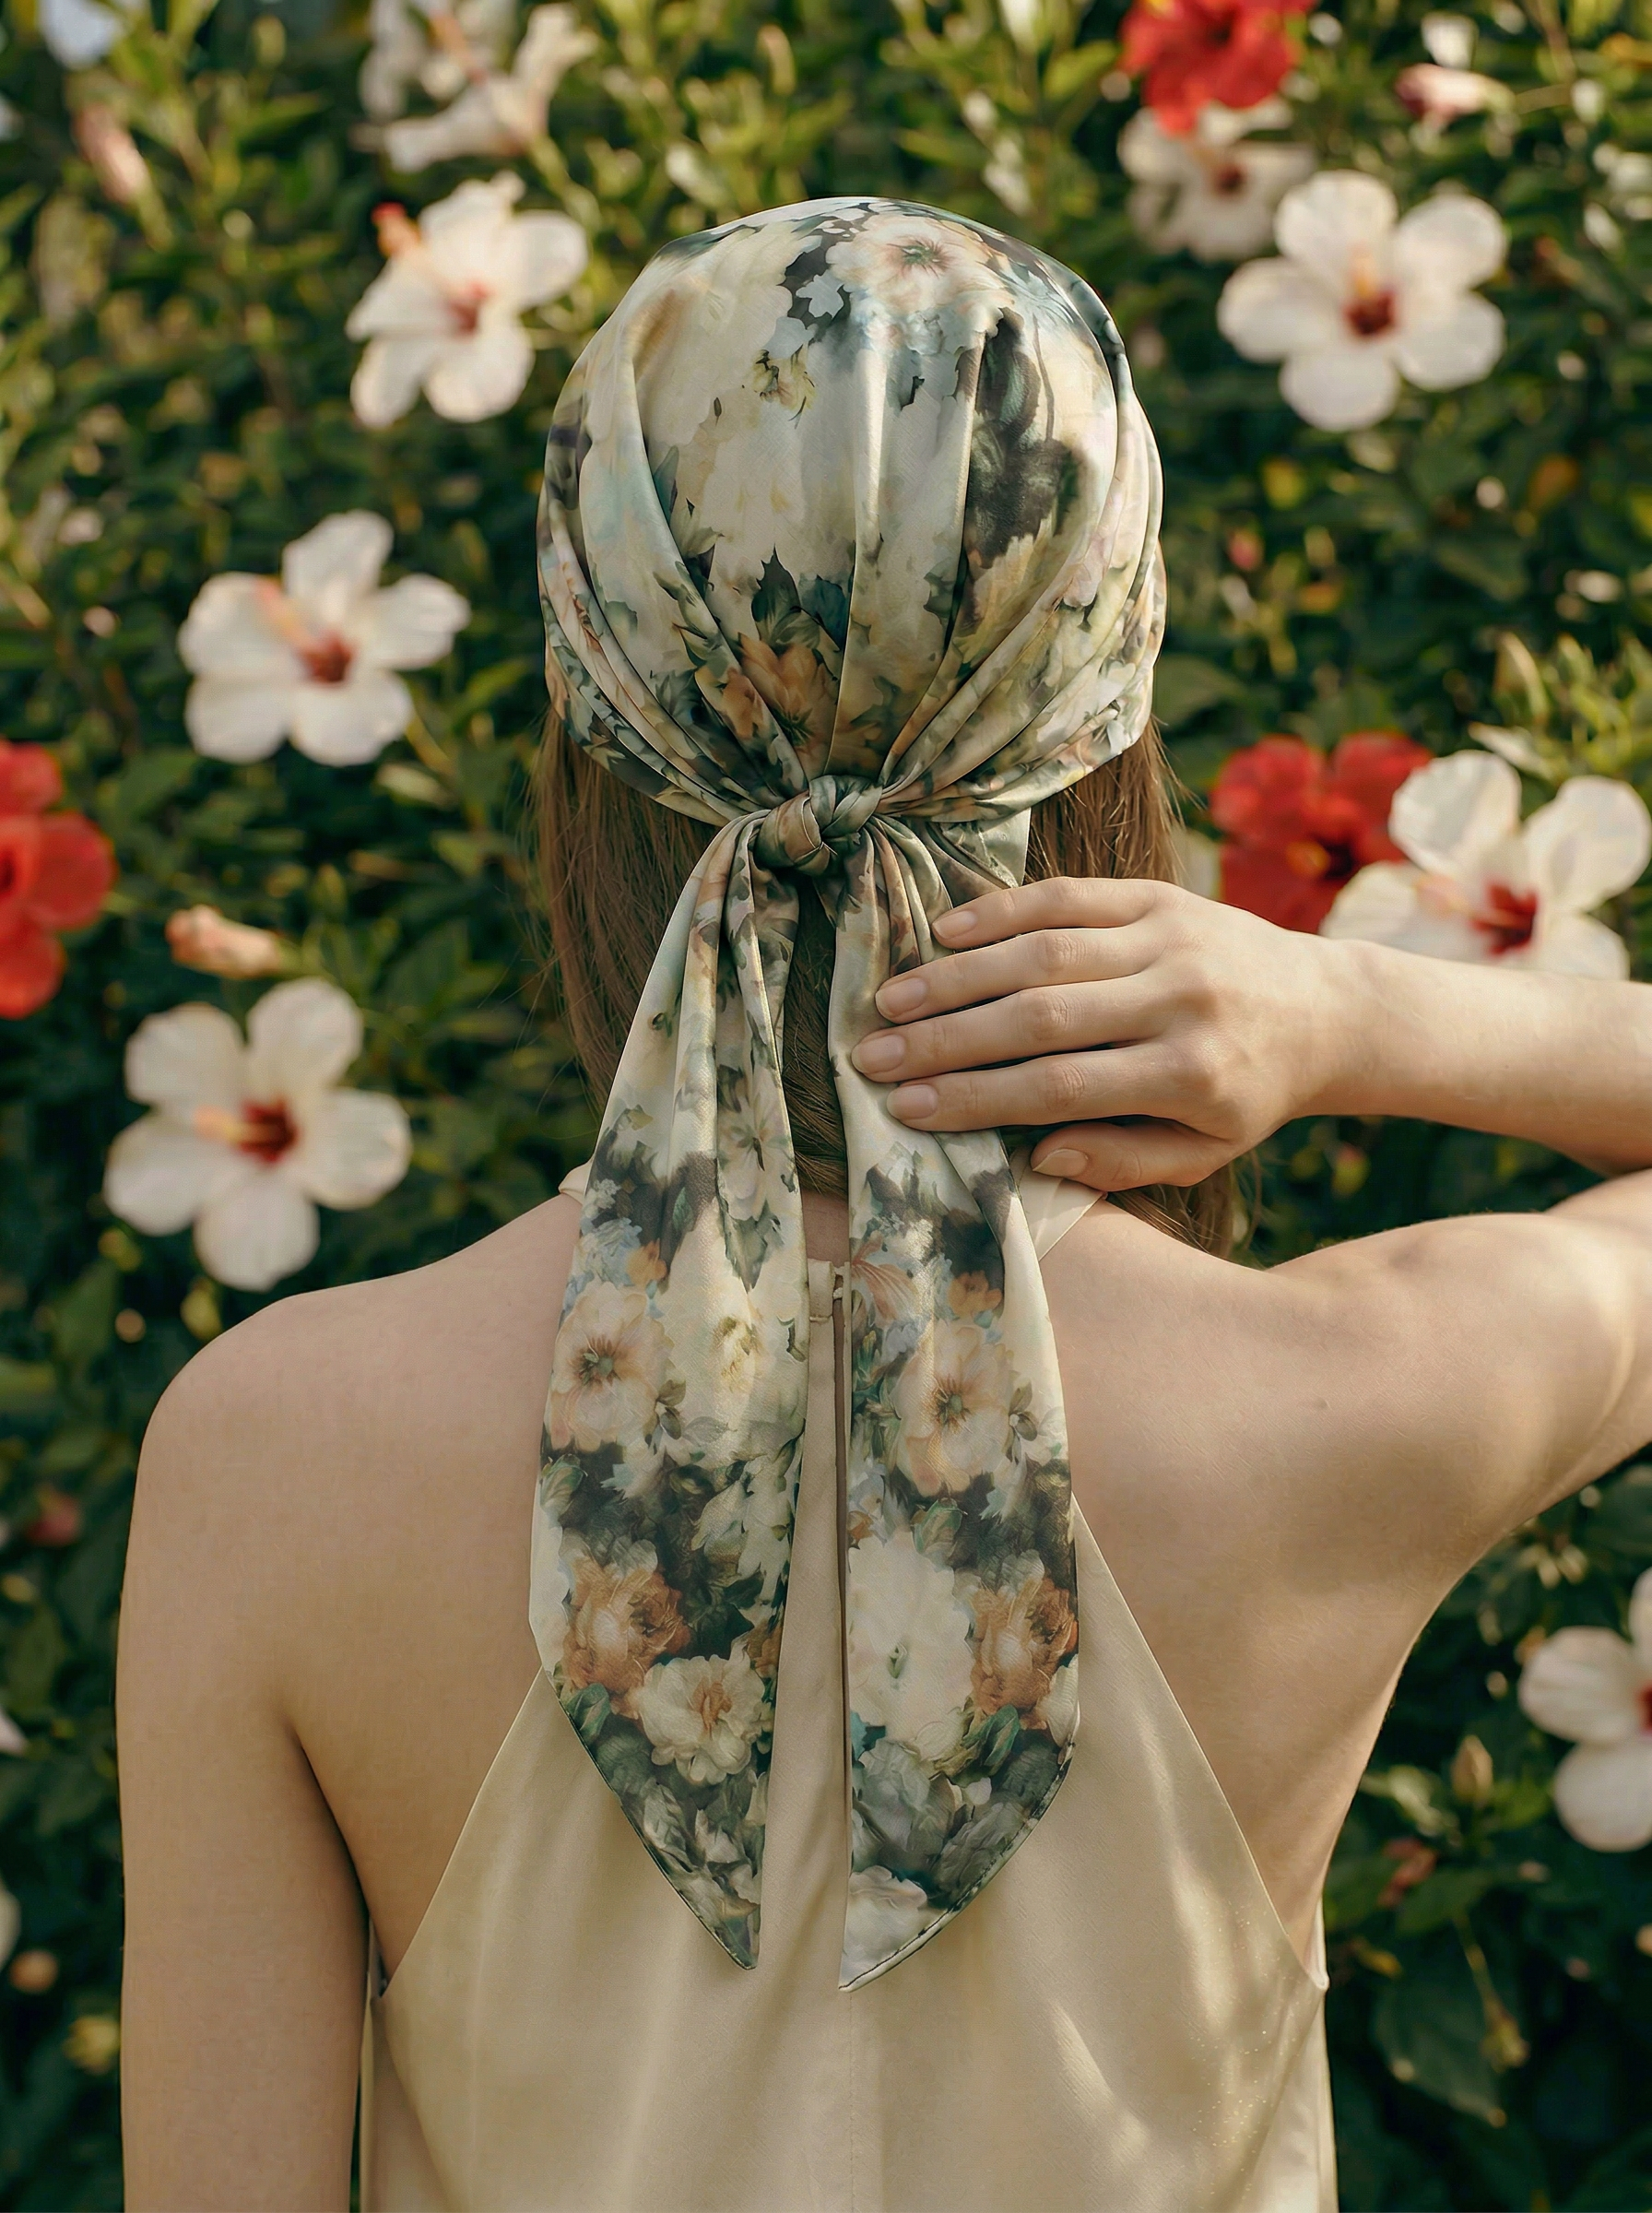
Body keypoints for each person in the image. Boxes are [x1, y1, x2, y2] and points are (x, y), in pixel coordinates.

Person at [117, 198, 1652, 2213]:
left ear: (593, 727)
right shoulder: (1342, 1400)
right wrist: (1346, 1007)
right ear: (1100, 734)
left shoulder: (274, 1454)